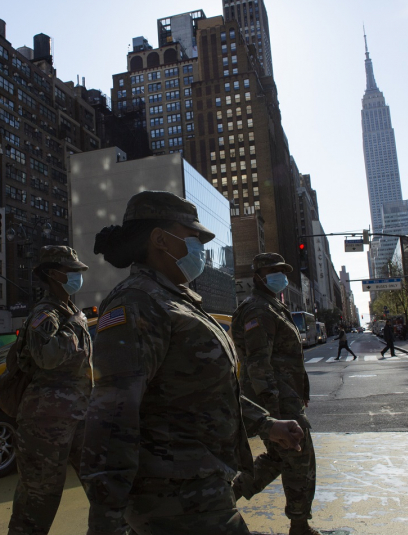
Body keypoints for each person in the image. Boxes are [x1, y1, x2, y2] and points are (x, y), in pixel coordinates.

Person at [80, 191, 304, 535]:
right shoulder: (137, 303)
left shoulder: (175, 299)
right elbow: (111, 417)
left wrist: (266, 424)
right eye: (194, 237)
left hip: (202, 484)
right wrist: (105, 522)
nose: (200, 247)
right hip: (174, 496)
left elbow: (205, 388)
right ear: (160, 240)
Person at [231, 253, 322, 535]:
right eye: (272, 270)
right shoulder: (258, 309)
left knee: (276, 458)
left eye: (282, 270)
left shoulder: (272, 306)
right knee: (298, 454)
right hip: (275, 398)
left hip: (285, 394)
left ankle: (220, 500)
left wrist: (299, 392)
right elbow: (258, 363)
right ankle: (299, 524)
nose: (279, 276)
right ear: (257, 275)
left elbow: (288, 358)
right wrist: (273, 412)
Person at [8, 246, 93, 535]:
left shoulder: (70, 311)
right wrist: (74, 327)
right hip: (46, 421)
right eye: (71, 271)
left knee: (108, 488)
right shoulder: (45, 314)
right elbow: (46, 357)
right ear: (52, 274)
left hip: (78, 416)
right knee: (37, 503)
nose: (77, 276)